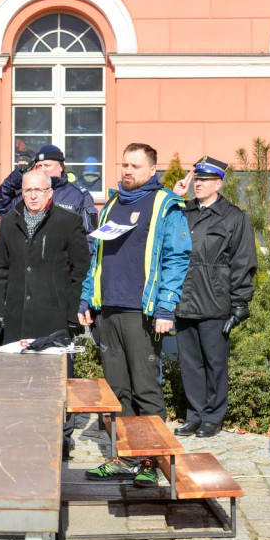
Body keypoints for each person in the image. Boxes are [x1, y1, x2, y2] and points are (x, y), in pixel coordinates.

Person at [78, 143, 191, 488]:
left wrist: (166, 306)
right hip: (108, 310)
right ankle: (124, 457)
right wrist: (86, 299)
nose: (128, 171)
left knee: (145, 389)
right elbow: (97, 258)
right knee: (117, 390)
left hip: (141, 313)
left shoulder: (165, 206)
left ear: (151, 170)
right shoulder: (111, 203)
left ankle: (150, 460)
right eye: (124, 164)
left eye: (135, 166)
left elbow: (177, 258)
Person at [171, 157, 257, 439]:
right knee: (190, 362)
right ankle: (195, 415)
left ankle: (213, 417)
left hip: (215, 300)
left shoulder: (233, 216)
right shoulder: (182, 211)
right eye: (196, 179)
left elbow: (243, 260)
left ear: (219, 183)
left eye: (205, 180)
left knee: (214, 363)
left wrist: (240, 301)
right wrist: (174, 197)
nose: (198, 184)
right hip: (185, 298)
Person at [0, 168, 91, 346]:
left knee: (51, 373)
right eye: (28, 190)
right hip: (16, 317)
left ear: (49, 192)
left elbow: (80, 271)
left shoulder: (69, 222)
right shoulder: (8, 222)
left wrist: (73, 313)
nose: (33, 196)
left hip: (54, 318)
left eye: (39, 190)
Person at [0, 144, 98, 237]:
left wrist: (80, 260)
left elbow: (90, 233)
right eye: (39, 166)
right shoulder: (29, 193)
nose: (43, 169)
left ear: (60, 167)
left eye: (47, 165)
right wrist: (16, 177)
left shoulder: (78, 195)